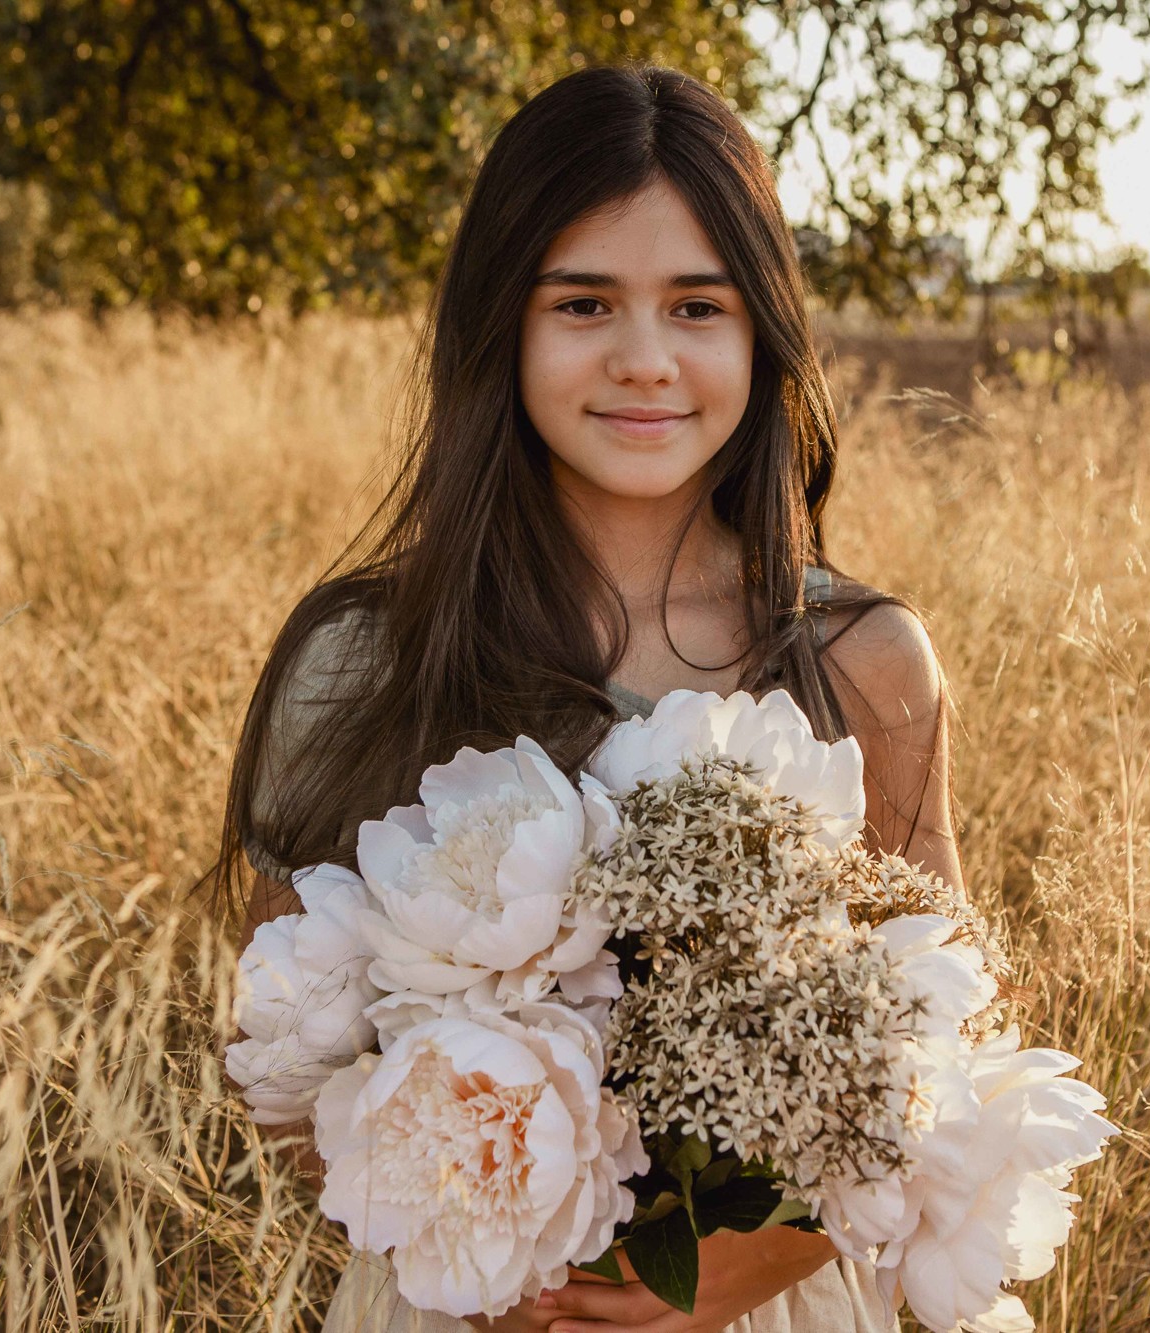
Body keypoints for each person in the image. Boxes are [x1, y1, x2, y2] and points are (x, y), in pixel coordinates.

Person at [214, 62, 961, 1333]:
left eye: (696, 306)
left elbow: (947, 1035)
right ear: (499, 324)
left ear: (761, 332)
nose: (643, 360)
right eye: (582, 303)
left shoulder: (860, 658)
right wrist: (475, 1249)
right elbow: (281, 1066)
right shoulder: (362, 658)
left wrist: (761, 1256)